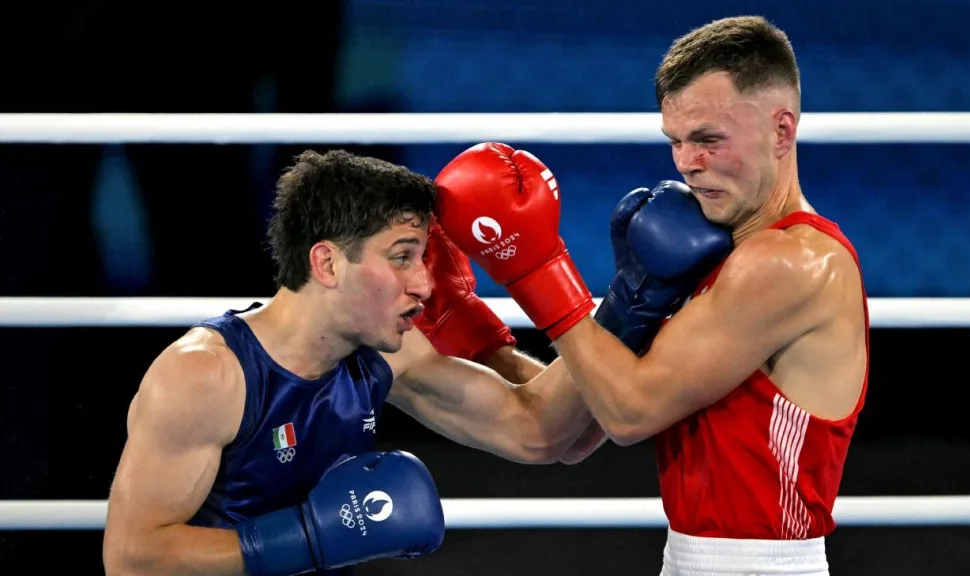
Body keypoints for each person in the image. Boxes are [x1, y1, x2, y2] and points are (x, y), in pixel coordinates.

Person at [432, 15, 869, 576]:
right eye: (677, 142)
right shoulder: (719, 252)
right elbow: (579, 428)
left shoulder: (789, 262)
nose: (688, 162)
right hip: (690, 555)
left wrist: (537, 271)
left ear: (782, 131)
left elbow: (628, 411)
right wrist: (468, 325)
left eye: (709, 140)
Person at [101, 149, 603, 576]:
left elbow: (541, 430)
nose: (425, 285)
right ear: (326, 263)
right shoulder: (207, 375)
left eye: (425, 259)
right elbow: (131, 556)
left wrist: (623, 306)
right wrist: (307, 539)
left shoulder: (384, 356)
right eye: (403, 257)